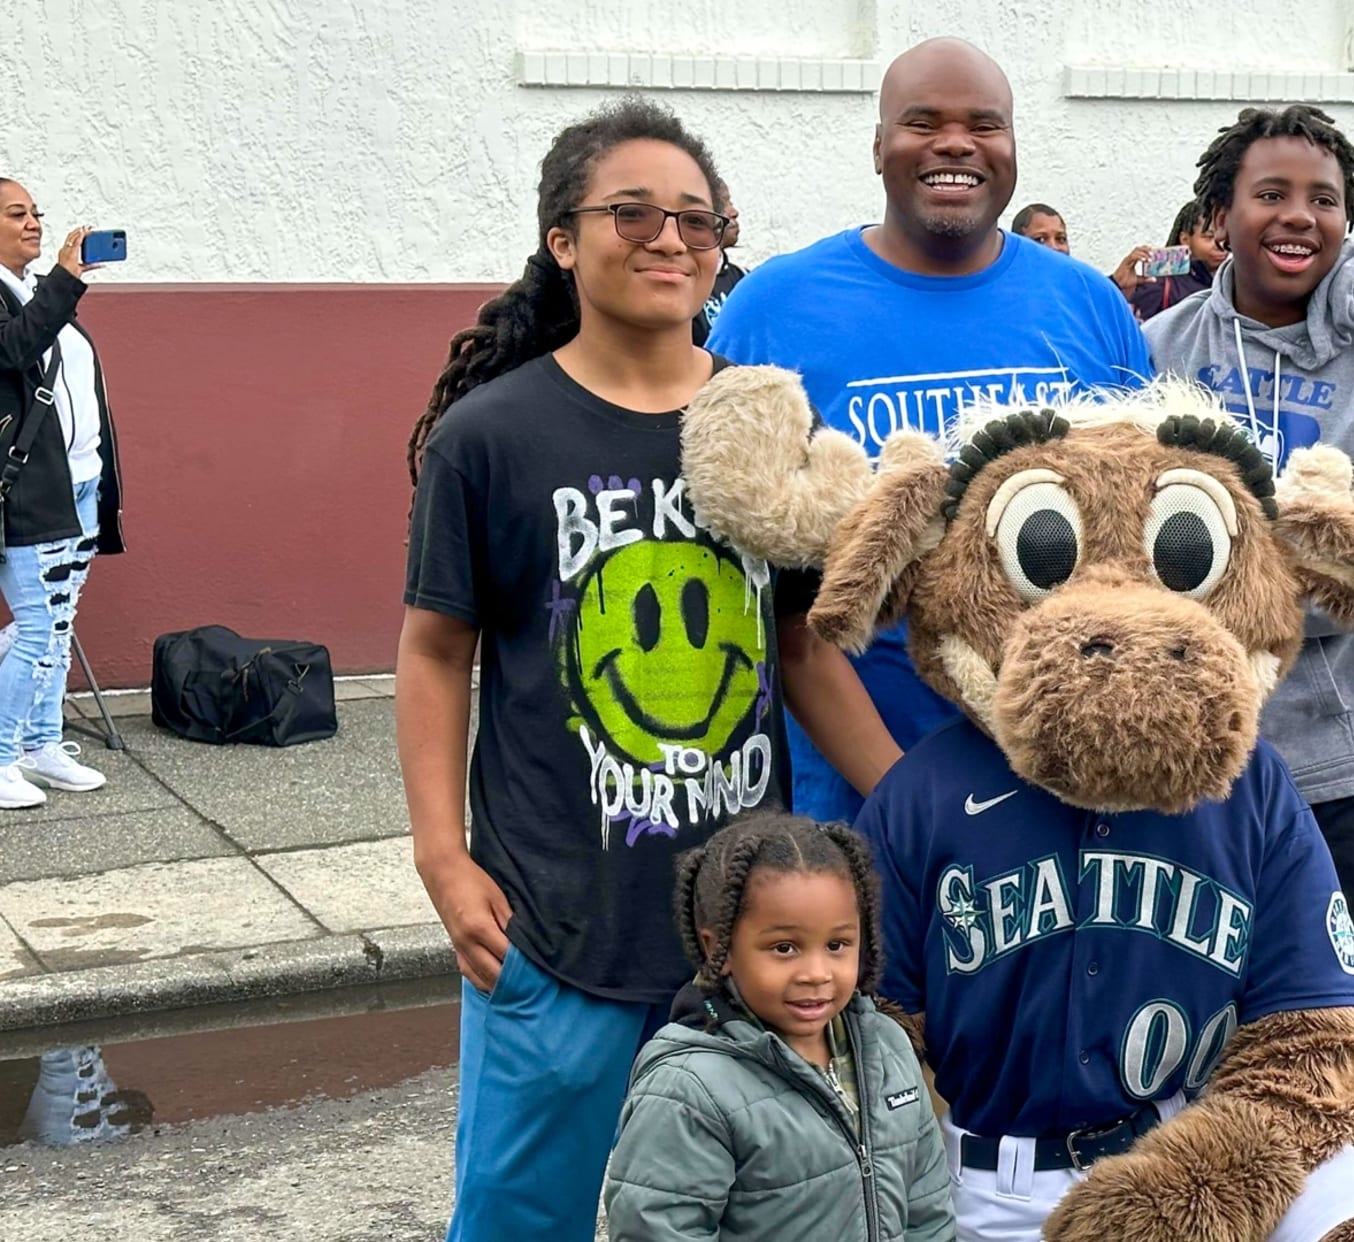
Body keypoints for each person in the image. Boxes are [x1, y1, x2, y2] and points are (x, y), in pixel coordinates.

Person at [399, 98, 786, 1242]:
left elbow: (802, 648)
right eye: (633, 213)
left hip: (741, 932)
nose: (669, 239)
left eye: (696, 218)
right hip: (551, 923)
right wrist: (440, 858)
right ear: (562, 237)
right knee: (529, 1223)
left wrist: (919, 812)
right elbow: (434, 654)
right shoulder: (495, 436)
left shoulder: (762, 421)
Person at [1143, 104, 1354, 1242]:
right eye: (1271, 194)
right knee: (1211, 1036)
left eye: (1323, 199)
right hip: (1198, 764)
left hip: (1353, 762)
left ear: (1350, 218)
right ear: (1220, 215)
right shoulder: (1167, 349)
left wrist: (1231, 589)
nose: (1298, 217)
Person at [706, 37, 1151, 825]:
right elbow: (736, 563)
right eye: (922, 122)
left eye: (985, 124)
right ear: (879, 147)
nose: (956, 143)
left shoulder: (1088, 304)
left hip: (1068, 783)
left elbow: (1140, 535)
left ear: (1013, 148)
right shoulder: (774, 309)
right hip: (854, 802)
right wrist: (904, 796)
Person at [602, 814, 954, 1241]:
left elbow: (928, 1213)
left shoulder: (889, 1047)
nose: (817, 973)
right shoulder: (688, 1090)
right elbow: (657, 1230)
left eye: (837, 945)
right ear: (721, 948)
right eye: (785, 948)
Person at [0, 182, 121, 810]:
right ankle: (1, 753)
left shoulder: (33, 293)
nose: (33, 223)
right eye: (17, 214)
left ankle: (42, 742)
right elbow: (14, 349)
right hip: (25, 490)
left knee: (57, 625)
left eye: (36, 213)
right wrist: (66, 282)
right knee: (37, 626)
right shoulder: (18, 299)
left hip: (76, 481)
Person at [1119, 198, 1226, 322]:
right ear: (1185, 239)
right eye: (1209, 237)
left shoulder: (1236, 283)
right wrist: (1118, 284)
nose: (1220, 245)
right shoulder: (1160, 285)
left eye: (1224, 235)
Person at [691, 176, 746, 347]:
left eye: (730, 202)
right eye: (723, 204)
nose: (734, 212)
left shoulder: (743, 278)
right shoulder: (682, 285)